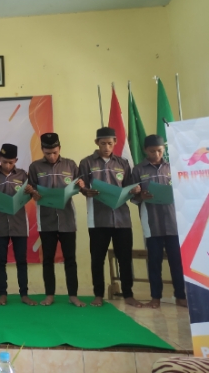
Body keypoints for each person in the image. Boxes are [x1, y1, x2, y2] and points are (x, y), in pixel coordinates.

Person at [78, 127, 142, 307]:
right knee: (97, 259)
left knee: (124, 258)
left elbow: (129, 187)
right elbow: (82, 186)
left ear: (115, 143)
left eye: (110, 143)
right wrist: (84, 190)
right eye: (103, 143)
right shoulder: (86, 162)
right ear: (96, 143)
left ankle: (128, 294)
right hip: (98, 219)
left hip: (122, 219)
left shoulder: (123, 163)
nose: (106, 147)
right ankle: (98, 295)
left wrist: (135, 189)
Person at [28, 133, 86, 307]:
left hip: (67, 218)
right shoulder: (35, 167)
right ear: (42, 150)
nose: (52, 156)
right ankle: (49, 295)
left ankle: (73, 295)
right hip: (46, 220)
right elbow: (31, 189)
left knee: (70, 259)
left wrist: (80, 186)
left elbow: (79, 186)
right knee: (48, 259)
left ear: (59, 148)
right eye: (48, 153)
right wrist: (33, 193)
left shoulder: (70, 165)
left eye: (54, 152)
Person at [131, 134, 187, 309]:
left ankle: (180, 296)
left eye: (159, 151)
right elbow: (133, 197)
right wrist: (140, 195)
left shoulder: (172, 167)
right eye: (152, 151)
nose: (156, 154)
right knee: (154, 262)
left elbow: (184, 192)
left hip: (173, 222)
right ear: (145, 150)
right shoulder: (138, 170)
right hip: (152, 222)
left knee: (176, 261)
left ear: (164, 150)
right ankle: (155, 297)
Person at [0, 143, 37, 306]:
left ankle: (24, 294)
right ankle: (2, 294)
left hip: (19, 224)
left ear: (16, 161)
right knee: (0, 260)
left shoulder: (23, 175)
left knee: (21, 260)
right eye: (4, 161)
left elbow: (31, 195)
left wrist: (30, 191)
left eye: (11, 162)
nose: (7, 165)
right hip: (0, 225)